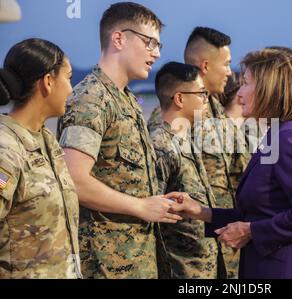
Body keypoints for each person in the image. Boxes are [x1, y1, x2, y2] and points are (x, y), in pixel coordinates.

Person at [165, 48, 292, 279]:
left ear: (268, 89)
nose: (239, 93)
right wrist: (201, 211)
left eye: (245, 83)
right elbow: (261, 211)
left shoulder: (289, 138)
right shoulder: (275, 134)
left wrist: (251, 231)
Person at [57, 2, 182, 279]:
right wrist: (140, 206)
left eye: (158, 45)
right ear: (119, 38)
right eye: (149, 42)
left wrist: (158, 200)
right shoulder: (91, 99)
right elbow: (74, 180)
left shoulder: (126, 100)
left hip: (136, 258)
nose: (157, 53)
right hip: (105, 264)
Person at [148, 26, 249, 278]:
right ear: (205, 65)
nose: (229, 71)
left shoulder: (218, 112)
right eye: (225, 64)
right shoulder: (166, 121)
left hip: (225, 250)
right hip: (186, 258)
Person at [0, 38, 81, 278]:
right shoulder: (6, 150)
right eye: (68, 78)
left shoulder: (46, 140)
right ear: (48, 82)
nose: (71, 89)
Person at [149, 61, 226, 278]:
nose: (206, 99)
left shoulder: (184, 137)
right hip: (180, 269)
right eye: (201, 93)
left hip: (203, 265)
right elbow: (154, 214)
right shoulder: (160, 144)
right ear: (180, 98)